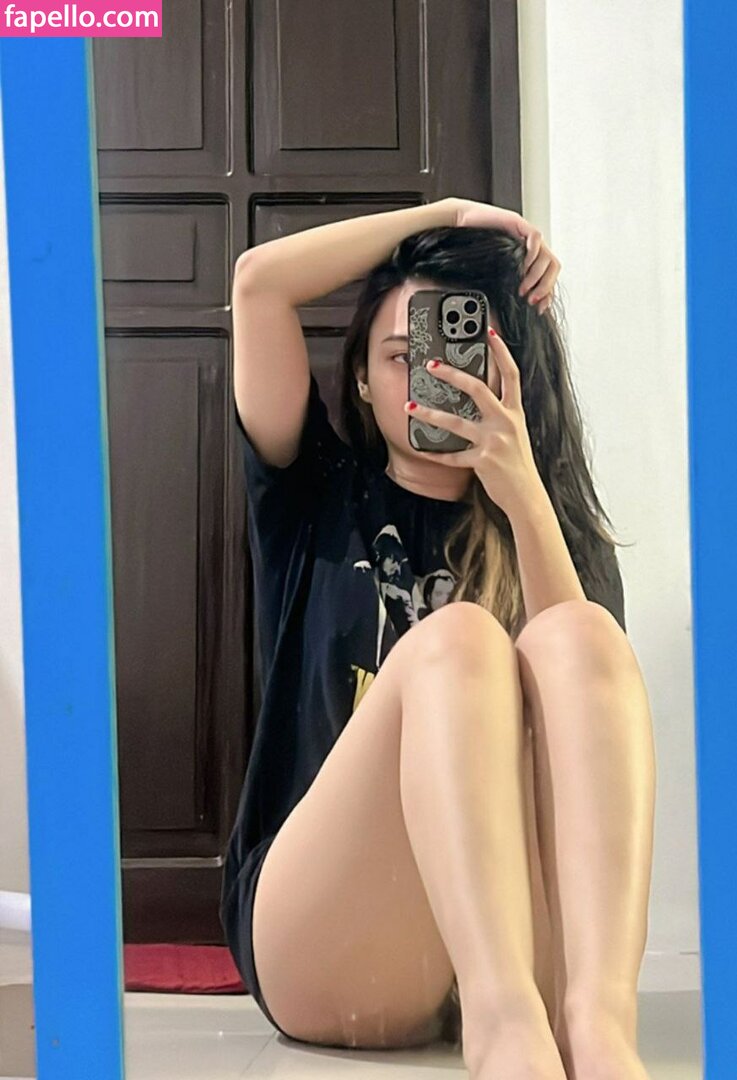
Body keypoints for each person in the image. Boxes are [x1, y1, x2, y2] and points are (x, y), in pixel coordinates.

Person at [219, 198, 655, 1080]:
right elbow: (259, 283)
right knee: (458, 641)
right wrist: (448, 214)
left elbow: (575, 740)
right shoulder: (314, 495)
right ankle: (503, 1026)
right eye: (401, 356)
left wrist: (519, 487)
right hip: (333, 934)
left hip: (514, 942)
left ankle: (598, 1025)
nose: (430, 382)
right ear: (361, 380)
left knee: (580, 635)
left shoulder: (551, 527)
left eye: (460, 361)